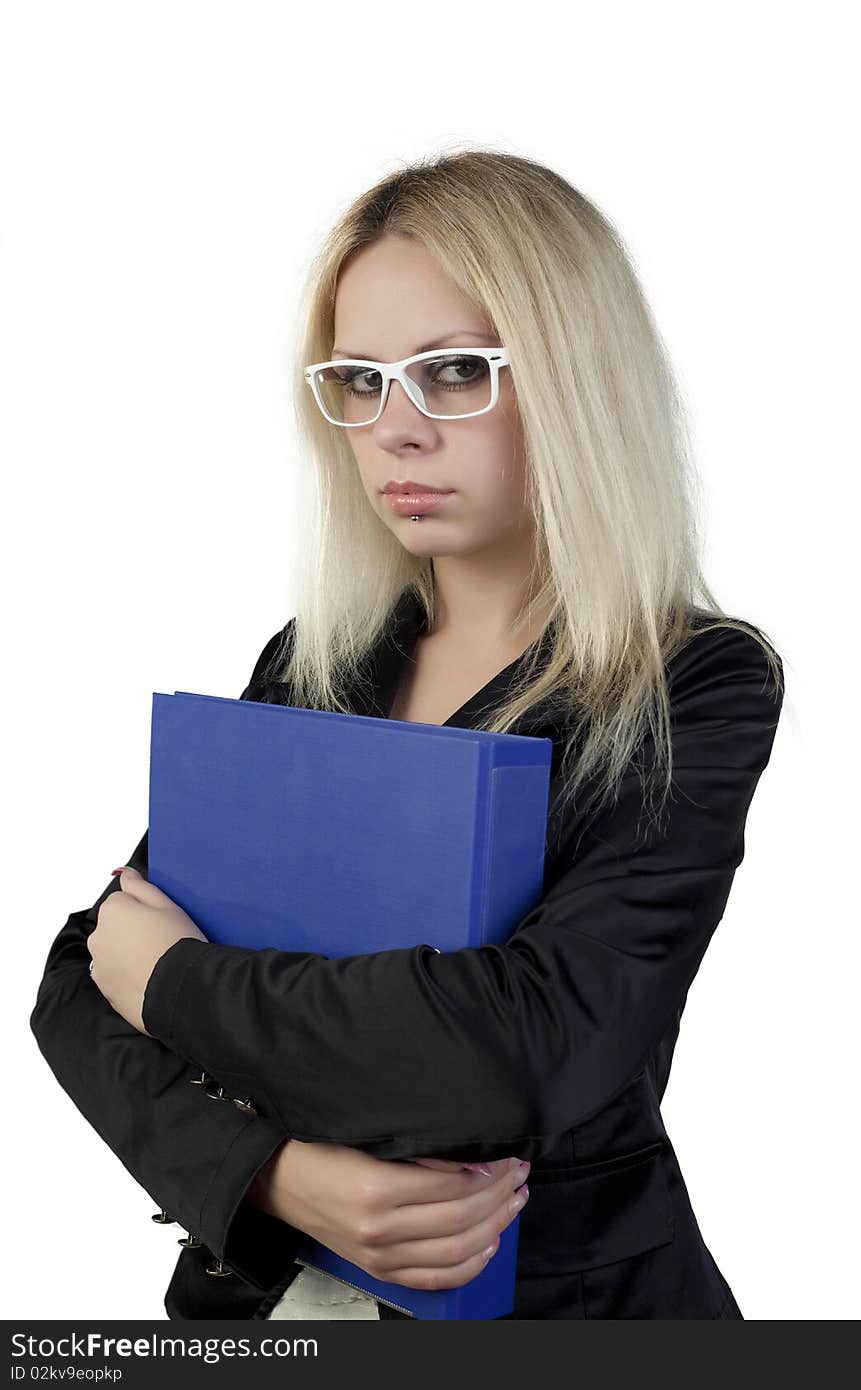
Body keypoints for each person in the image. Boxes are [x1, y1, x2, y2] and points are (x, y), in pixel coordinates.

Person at [29, 149, 785, 1321]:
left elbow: (518, 1048)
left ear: (579, 380)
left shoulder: (693, 681)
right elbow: (82, 983)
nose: (396, 430)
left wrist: (177, 981)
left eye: (454, 371)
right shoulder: (314, 659)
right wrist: (276, 1178)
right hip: (261, 1307)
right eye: (360, 379)